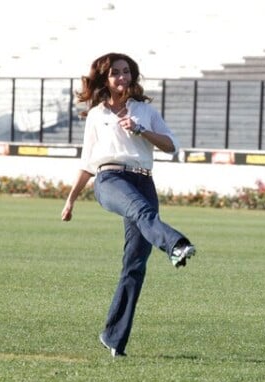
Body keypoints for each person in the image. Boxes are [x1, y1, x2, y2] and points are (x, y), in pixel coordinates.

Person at [61, 52, 196, 358]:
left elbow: (171, 145)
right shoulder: (97, 115)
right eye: (115, 73)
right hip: (109, 180)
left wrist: (140, 130)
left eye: (126, 72)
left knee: (135, 265)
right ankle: (175, 245)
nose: (121, 78)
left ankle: (113, 338)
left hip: (142, 181)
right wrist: (70, 200)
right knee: (142, 212)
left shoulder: (146, 111)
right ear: (105, 80)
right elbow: (87, 162)